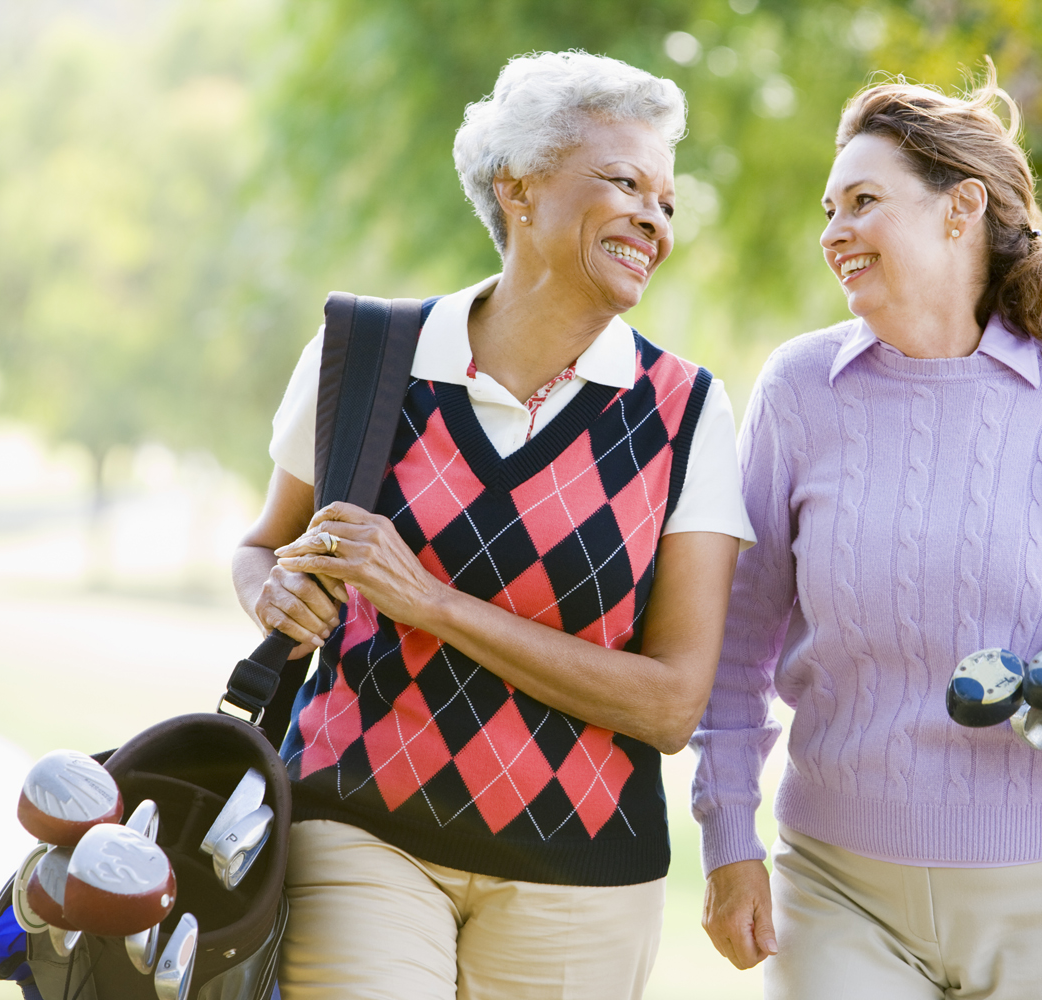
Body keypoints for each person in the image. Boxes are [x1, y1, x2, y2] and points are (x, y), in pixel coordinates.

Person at [690, 67, 1042, 999]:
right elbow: (737, 637)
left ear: (961, 209)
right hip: (838, 884)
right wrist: (727, 839)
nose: (833, 233)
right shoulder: (800, 391)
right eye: (828, 209)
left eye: (863, 202)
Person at [232, 51, 753, 1000]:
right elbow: (266, 542)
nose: (653, 216)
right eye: (623, 180)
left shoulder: (687, 413)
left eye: (667, 200)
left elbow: (672, 704)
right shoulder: (364, 352)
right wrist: (270, 586)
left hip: (583, 875)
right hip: (359, 821)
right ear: (517, 187)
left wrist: (430, 603)